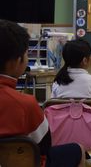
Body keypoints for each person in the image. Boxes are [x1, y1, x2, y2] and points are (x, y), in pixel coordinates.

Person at [0, 19, 84, 167]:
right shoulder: (25, 104)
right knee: (77, 150)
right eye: (27, 54)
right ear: (16, 61)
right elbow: (44, 147)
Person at [51, 38, 91, 166]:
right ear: (85, 60)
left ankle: (86, 157)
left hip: (62, 134)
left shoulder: (57, 82)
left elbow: (52, 107)